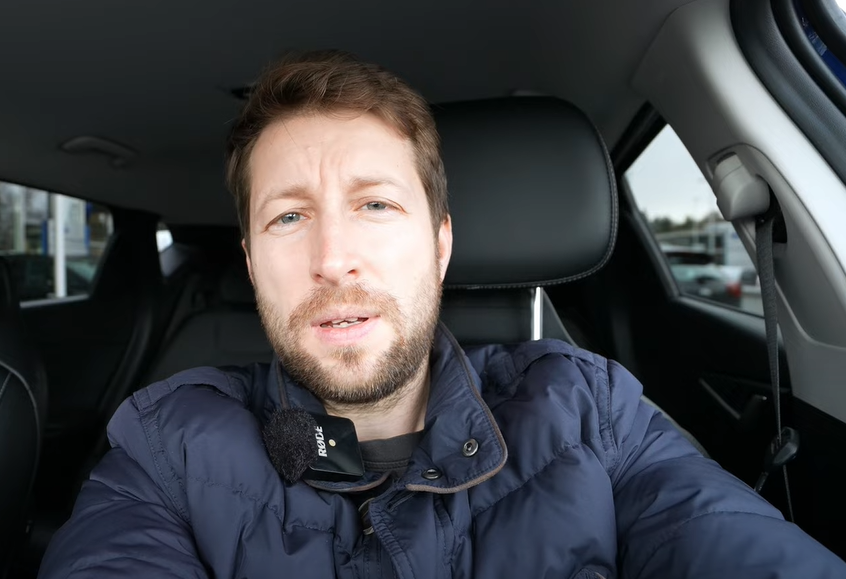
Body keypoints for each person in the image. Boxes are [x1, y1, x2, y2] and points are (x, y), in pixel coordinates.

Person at [39, 50, 846, 578]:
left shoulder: (591, 414)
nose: (332, 257)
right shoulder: (167, 447)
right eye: (288, 216)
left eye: (375, 204)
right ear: (251, 264)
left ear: (440, 245)